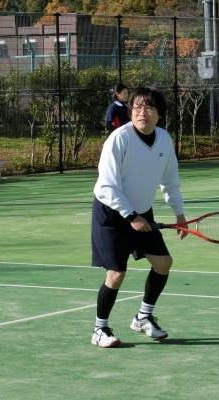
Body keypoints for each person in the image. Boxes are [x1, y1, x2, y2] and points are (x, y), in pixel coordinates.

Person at [91, 86, 187, 348]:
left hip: (142, 213)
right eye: (137, 107)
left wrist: (179, 213)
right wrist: (131, 215)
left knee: (163, 263)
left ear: (159, 114)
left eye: (149, 108)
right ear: (131, 111)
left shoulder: (164, 139)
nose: (142, 113)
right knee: (116, 274)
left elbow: (170, 181)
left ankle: (143, 317)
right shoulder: (118, 139)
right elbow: (107, 186)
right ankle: (100, 330)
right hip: (111, 214)